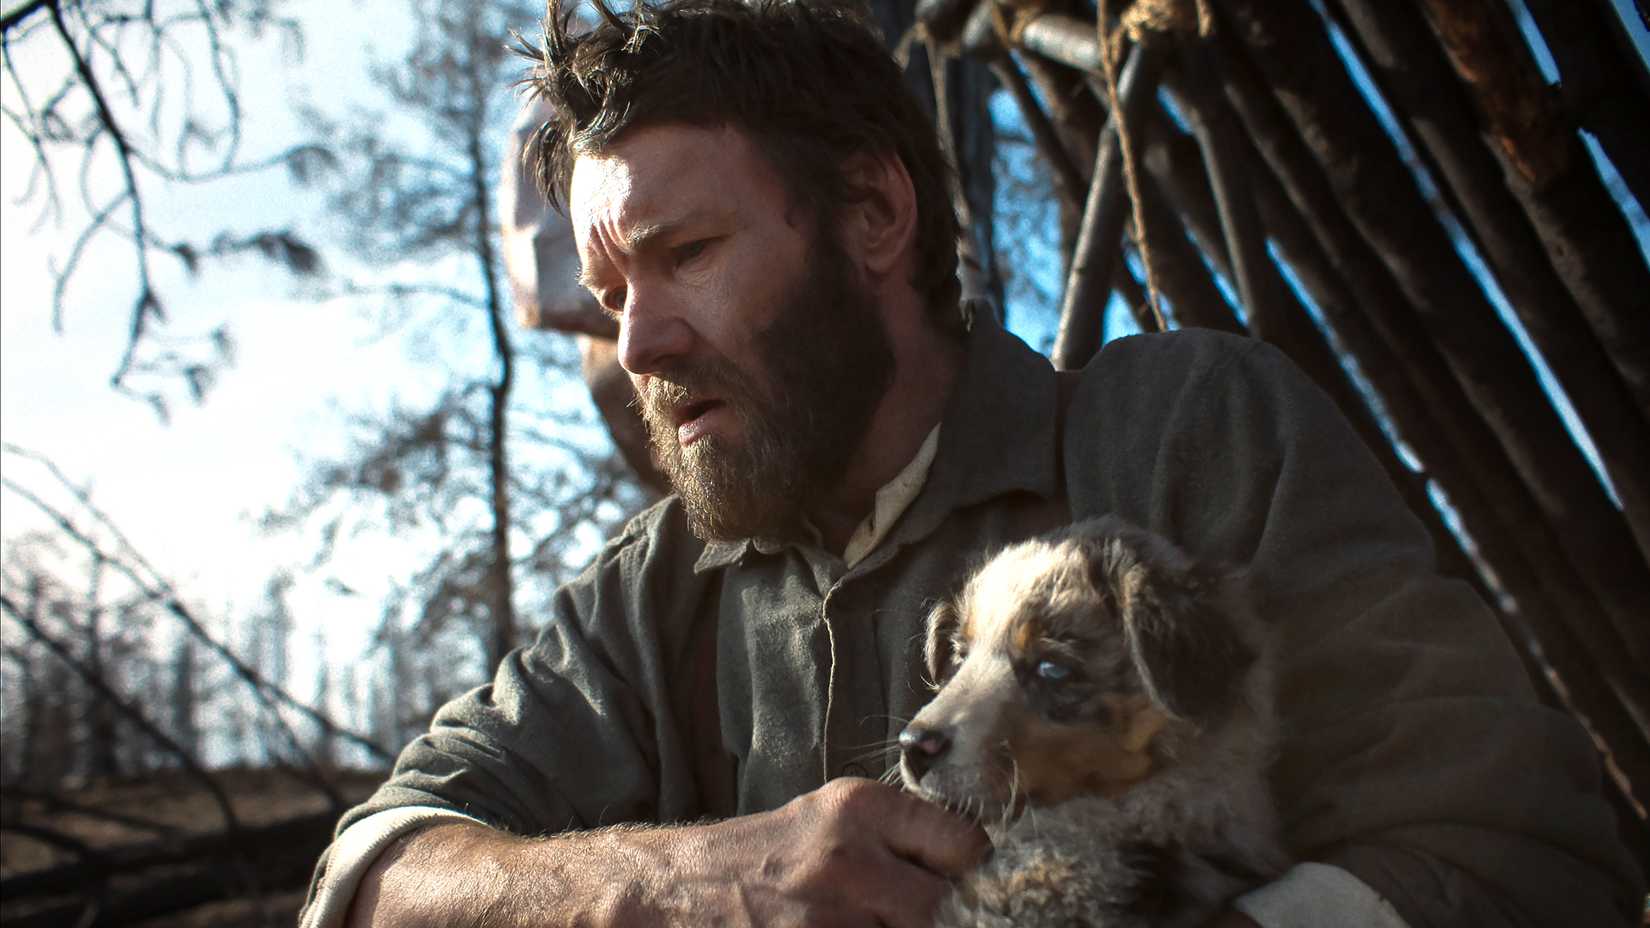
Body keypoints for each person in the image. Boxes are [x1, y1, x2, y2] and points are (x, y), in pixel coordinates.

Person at [300, 1, 1643, 926]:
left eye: (685, 255)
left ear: (874, 215)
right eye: (607, 288)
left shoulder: (1182, 439)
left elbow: (1519, 849)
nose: (637, 340)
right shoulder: (644, 601)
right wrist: (674, 886)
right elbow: (371, 876)